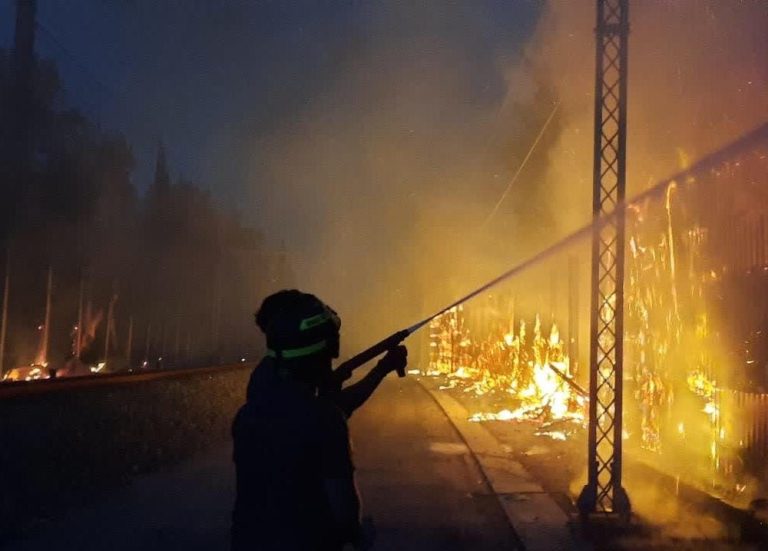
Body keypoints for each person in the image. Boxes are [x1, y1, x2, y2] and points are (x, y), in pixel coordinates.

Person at [231, 290, 407, 551]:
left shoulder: (250, 413)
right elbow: (346, 515)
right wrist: (361, 535)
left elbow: (327, 409)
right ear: (328, 348)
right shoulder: (324, 420)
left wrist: (380, 370)